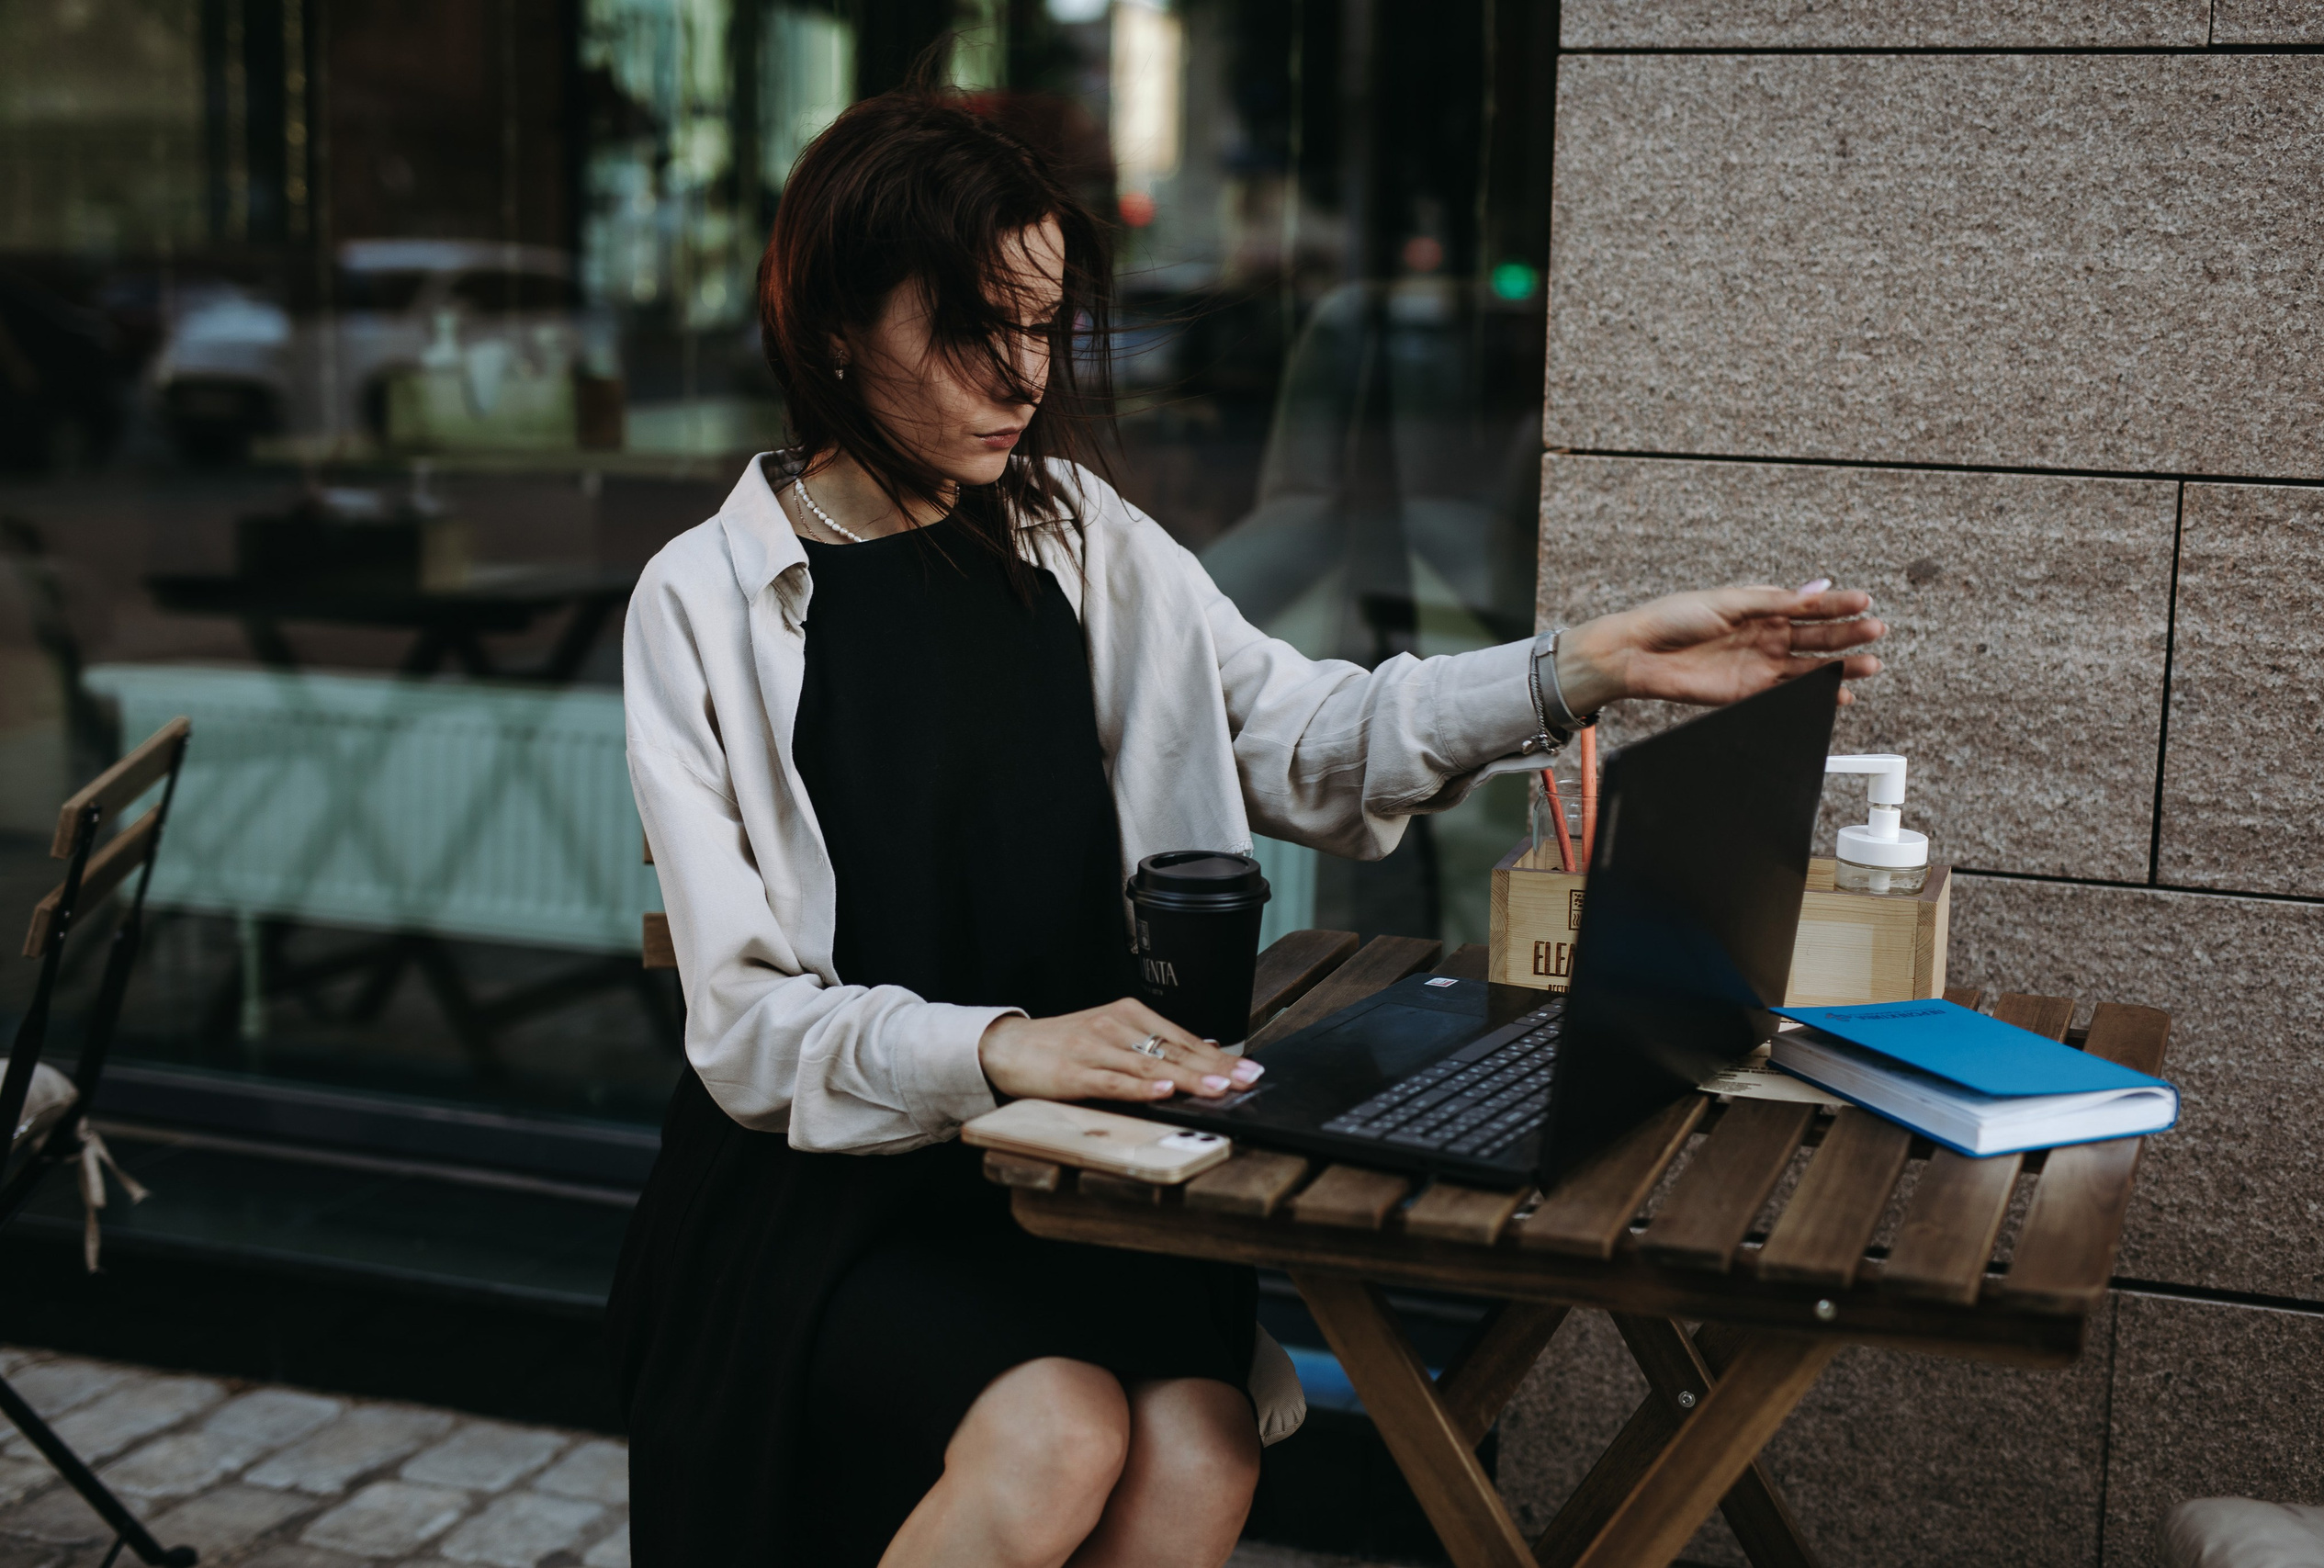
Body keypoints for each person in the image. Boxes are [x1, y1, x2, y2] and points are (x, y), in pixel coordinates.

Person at [608, 89, 1884, 1568]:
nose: (1024, 375)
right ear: (835, 325)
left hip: (1095, 1165)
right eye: (977, 330)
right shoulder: (704, 601)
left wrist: (1584, 665)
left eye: (1044, 328)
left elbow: (1312, 739)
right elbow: (752, 1026)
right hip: (834, 1192)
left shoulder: (1075, 536)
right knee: (1057, 1438)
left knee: (1201, 1455)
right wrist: (998, 1043)